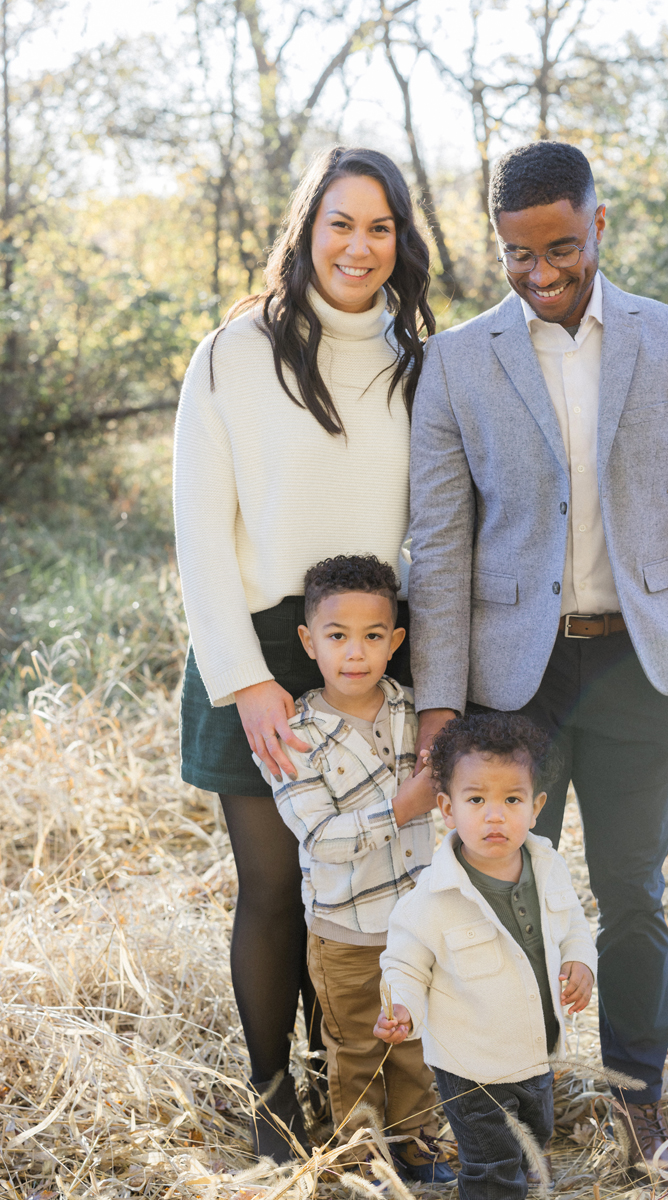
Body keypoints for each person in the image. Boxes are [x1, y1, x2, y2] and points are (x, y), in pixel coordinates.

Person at [407, 141, 668, 1177]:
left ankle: (643, 1093)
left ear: (600, 224)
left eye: (559, 247)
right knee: (502, 890)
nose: (540, 272)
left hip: (645, 668)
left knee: (632, 890)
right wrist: (442, 707)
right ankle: (516, 1102)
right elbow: (441, 542)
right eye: (516, 254)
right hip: (516, 683)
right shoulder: (460, 361)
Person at [173, 146, 435, 1162]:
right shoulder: (231, 353)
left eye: (379, 227)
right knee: (278, 882)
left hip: (374, 645)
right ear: (307, 229)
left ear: (400, 241)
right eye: (340, 223)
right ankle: (276, 1101)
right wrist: (245, 680)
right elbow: (199, 530)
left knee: (370, 882)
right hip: (262, 644)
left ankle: (354, 1085)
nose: (358, 246)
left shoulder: (422, 363)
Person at [254, 555, 454, 1184]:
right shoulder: (294, 735)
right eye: (337, 637)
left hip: (417, 924)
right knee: (359, 1051)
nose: (355, 653)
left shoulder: (414, 715)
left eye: (373, 637)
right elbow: (319, 836)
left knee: (416, 1039)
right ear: (309, 643)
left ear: (395, 643)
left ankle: (419, 1142)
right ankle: (364, 1160)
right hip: (346, 933)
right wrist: (405, 807)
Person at [375, 712, 596, 1200]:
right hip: (471, 1066)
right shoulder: (433, 897)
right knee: (492, 1166)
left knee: (532, 1143)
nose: (495, 815)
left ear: (536, 807)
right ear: (447, 809)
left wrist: (581, 962)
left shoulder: (548, 865)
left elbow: (575, 924)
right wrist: (403, 1008)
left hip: (536, 1052)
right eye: (476, 800)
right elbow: (405, 964)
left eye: (511, 799)